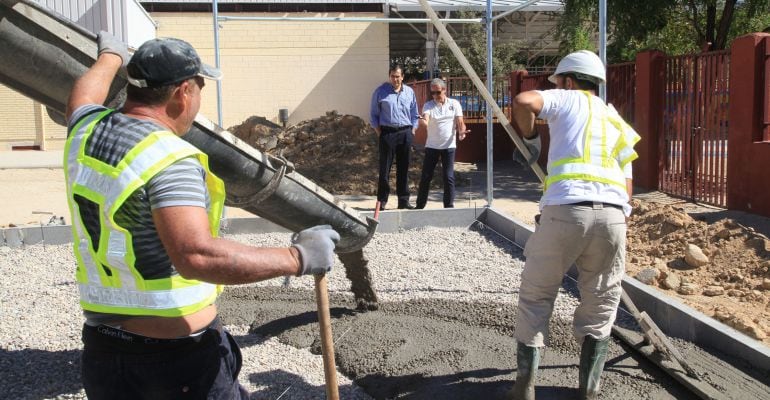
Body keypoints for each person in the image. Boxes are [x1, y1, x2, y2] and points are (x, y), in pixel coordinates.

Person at [64, 32, 340, 400]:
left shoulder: (85, 130)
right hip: (174, 364)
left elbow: (84, 95)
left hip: (104, 353)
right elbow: (196, 256)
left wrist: (110, 56)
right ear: (183, 92)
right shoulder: (167, 159)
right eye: (200, 87)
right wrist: (298, 257)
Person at [507, 50, 640, 400]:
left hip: (565, 210)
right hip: (613, 217)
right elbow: (628, 185)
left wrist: (531, 141)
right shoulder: (616, 120)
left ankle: (524, 386)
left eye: (560, 81)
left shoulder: (566, 98)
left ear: (568, 80)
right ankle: (588, 390)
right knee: (601, 304)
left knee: (537, 295)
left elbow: (523, 101)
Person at [415, 78, 470, 209]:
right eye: (432, 93)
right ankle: (420, 205)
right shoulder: (428, 105)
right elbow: (426, 119)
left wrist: (462, 131)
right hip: (432, 146)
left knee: (448, 176)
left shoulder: (454, 104)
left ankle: (449, 206)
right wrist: (423, 122)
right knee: (426, 176)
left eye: (438, 92)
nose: (435, 96)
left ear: (445, 90)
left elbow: (460, 122)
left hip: (449, 146)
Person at [370, 64, 419, 210]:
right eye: (392, 76)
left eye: (398, 76)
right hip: (388, 133)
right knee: (385, 169)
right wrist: (380, 132)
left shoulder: (409, 92)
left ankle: (403, 200)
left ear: (402, 77)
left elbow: (414, 113)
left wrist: (413, 130)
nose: (395, 79)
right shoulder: (380, 92)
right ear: (389, 76)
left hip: (405, 133)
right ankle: (382, 201)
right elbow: (373, 115)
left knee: (404, 169)